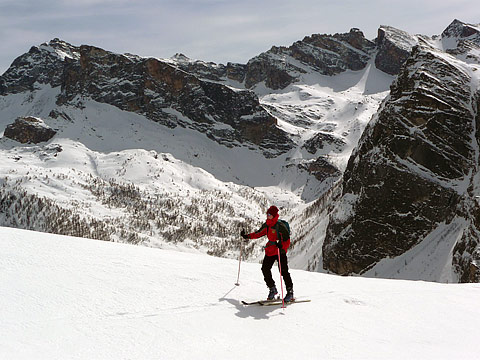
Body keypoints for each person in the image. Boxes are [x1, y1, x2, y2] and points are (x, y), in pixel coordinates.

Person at [241, 205, 294, 302]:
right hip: (270, 250)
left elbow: (287, 239)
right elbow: (258, 233)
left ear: (274, 215)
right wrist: (247, 236)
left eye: (269, 214)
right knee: (265, 269)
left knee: (283, 272)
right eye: (267, 214)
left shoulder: (280, 226)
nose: (267, 215)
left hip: (280, 251)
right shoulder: (267, 225)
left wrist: (281, 245)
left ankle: (290, 292)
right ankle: (272, 289)